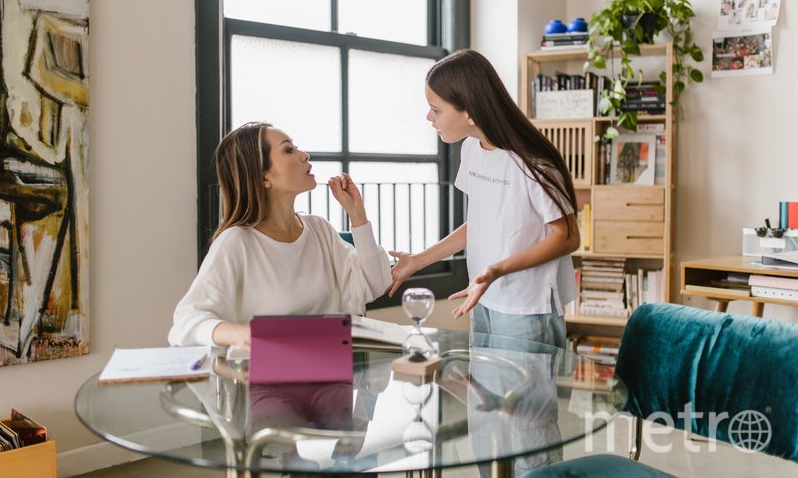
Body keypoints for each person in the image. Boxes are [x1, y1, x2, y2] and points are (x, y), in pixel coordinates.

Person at [388, 50, 580, 348]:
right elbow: (480, 223)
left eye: (436, 109)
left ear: (470, 112)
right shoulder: (473, 150)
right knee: (485, 395)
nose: (429, 117)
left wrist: (496, 269)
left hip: (527, 308)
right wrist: (419, 260)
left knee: (525, 395)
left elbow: (567, 237)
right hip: (483, 296)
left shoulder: (533, 162)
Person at [168, 122, 392, 348]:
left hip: (330, 371)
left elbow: (375, 284)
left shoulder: (319, 230)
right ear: (264, 177)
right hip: (266, 377)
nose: (304, 155)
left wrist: (358, 215)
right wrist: (242, 335)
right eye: (289, 150)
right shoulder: (237, 242)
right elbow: (187, 321)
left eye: (296, 148)